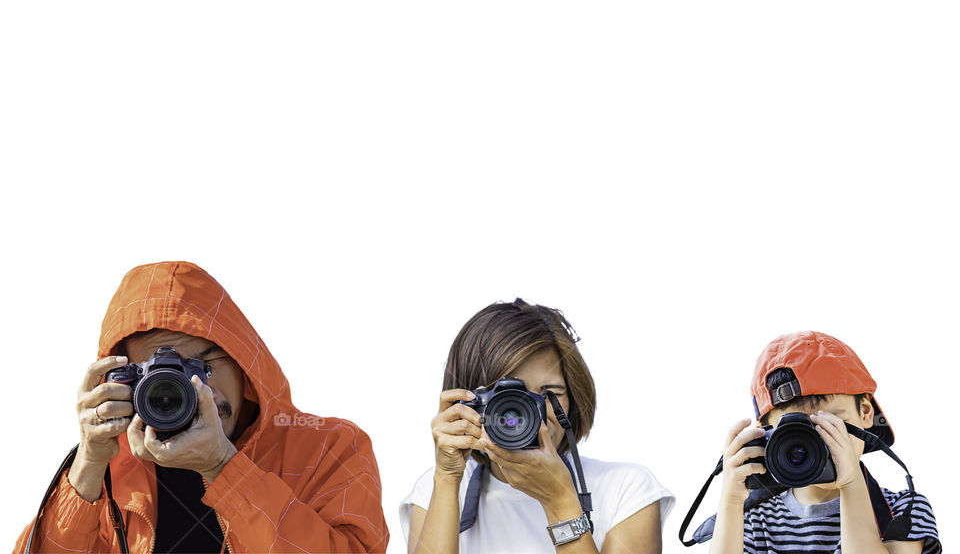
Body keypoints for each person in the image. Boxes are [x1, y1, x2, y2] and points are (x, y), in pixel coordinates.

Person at [14, 261, 389, 553]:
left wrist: (224, 467)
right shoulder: (110, 468)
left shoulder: (331, 447)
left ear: (246, 363)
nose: (195, 390)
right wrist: (87, 465)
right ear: (122, 378)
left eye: (204, 365)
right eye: (160, 376)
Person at [400, 298, 674, 554]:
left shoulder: (627, 490)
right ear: (467, 403)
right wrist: (447, 478)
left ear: (574, 396)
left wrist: (560, 501)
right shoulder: (436, 490)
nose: (529, 412)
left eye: (548, 393)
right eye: (506, 398)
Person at [708, 331, 940, 554]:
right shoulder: (754, 518)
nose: (819, 444)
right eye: (798, 433)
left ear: (866, 413)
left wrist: (851, 482)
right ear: (766, 437)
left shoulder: (904, 510)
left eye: (833, 424)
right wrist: (731, 502)